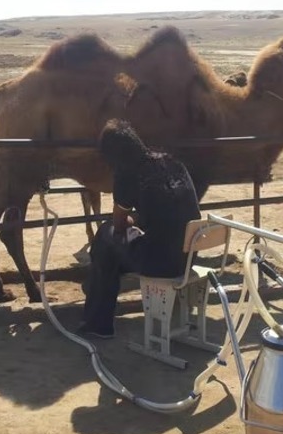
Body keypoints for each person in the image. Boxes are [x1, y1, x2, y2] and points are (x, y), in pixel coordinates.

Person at [80, 119, 201, 339]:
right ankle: (97, 300)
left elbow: (118, 225)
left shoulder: (127, 175)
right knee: (112, 249)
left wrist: (129, 221)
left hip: (162, 263)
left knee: (105, 238)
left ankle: (98, 321)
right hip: (190, 255)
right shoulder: (171, 162)